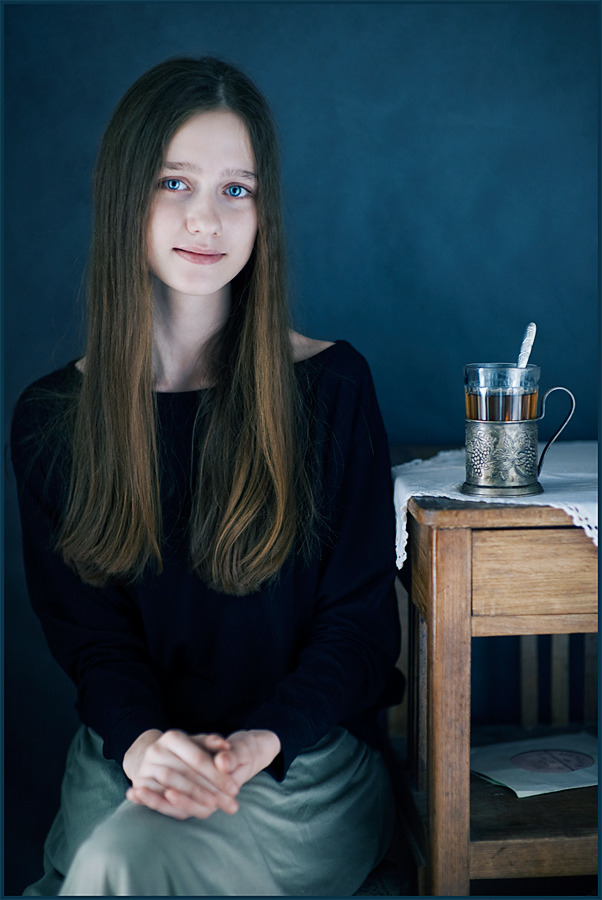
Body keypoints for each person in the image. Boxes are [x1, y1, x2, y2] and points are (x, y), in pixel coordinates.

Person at [11, 56, 404, 897]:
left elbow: (360, 632)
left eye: (238, 190)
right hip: (128, 762)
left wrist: (257, 744)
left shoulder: (331, 388)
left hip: (298, 769)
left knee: (122, 868)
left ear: (265, 212)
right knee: (116, 854)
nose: (207, 218)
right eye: (174, 182)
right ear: (126, 195)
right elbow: (92, 644)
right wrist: (149, 746)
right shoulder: (51, 420)